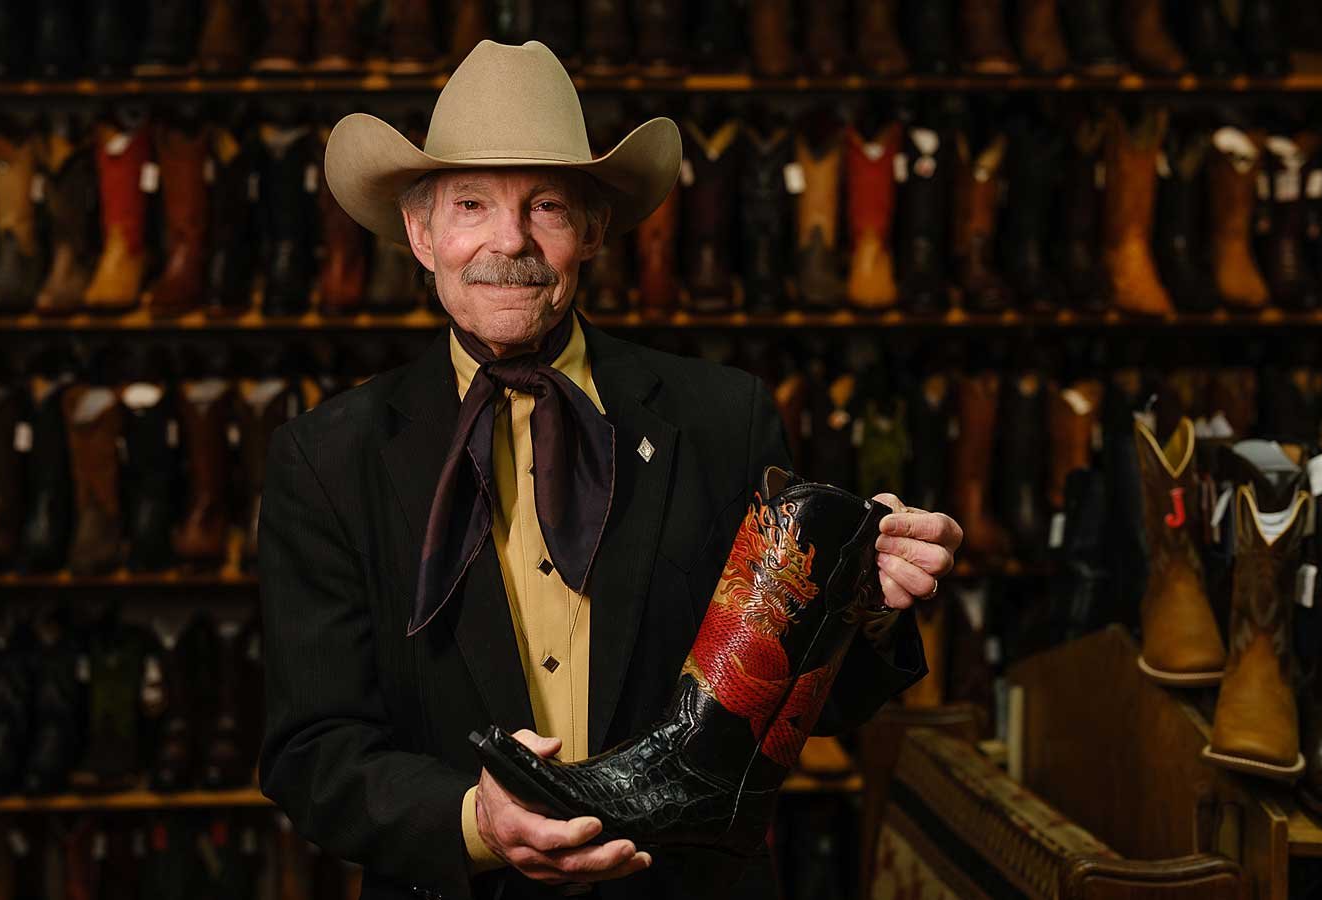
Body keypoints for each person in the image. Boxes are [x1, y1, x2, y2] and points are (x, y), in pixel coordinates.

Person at [258, 40, 964, 900]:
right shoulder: (326, 458)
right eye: (472, 204)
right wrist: (476, 822)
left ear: (592, 231)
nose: (508, 240)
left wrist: (866, 606)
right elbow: (312, 751)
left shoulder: (724, 419)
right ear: (421, 233)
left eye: (546, 206)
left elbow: (793, 713)